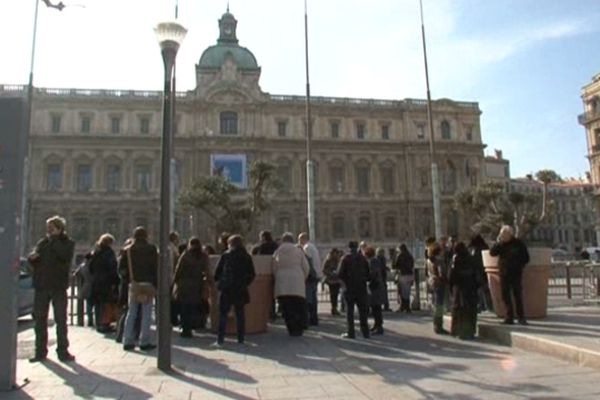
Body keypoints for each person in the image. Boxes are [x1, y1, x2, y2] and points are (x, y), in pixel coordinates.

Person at [28, 215, 76, 362]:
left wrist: (54, 240)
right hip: (42, 285)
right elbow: (34, 262)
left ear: (60, 229)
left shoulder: (67, 243)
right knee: (39, 320)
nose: (48, 231)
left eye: (51, 228)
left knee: (61, 320)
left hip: (58, 286)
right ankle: (40, 352)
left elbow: (64, 256)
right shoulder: (43, 243)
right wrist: (32, 258)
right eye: (47, 228)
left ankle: (63, 351)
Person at [119, 227, 158, 351]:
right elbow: (156, 267)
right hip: (148, 283)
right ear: (146, 236)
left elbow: (121, 269)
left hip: (134, 283)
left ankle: (128, 340)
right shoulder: (152, 249)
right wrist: (155, 284)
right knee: (146, 313)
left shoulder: (128, 250)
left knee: (132, 312)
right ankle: (144, 341)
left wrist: (128, 279)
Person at [213, 234, 256, 346]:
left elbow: (217, 272)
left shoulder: (226, 255)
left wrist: (219, 281)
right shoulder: (246, 256)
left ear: (230, 244)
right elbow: (252, 274)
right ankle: (240, 339)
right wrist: (245, 283)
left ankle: (220, 339)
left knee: (223, 314)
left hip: (227, 288)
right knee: (240, 314)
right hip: (240, 288)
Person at [489, 225, 530, 325]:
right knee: (505, 295)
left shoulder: (518, 244)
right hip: (504, 273)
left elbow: (526, 258)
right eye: (502, 234)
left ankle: (521, 317)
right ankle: (509, 317)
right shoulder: (501, 244)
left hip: (516, 273)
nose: (503, 236)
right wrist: (498, 241)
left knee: (517, 295)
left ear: (510, 234)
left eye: (504, 234)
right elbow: (492, 252)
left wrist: (519, 265)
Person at [273, 233, 310, 336]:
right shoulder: (298, 251)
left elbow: (274, 268)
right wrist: (303, 278)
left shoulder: (277, 252)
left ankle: (291, 328)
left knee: (287, 308)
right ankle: (299, 328)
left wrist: (278, 278)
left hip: (282, 283)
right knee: (298, 306)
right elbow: (306, 267)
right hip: (297, 281)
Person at [172, 237, 210, 338]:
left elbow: (178, 270)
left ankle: (185, 329)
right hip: (196, 284)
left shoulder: (185, 255)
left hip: (183, 284)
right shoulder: (203, 256)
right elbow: (207, 271)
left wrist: (175, 282)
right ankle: (191, 326)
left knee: (184, 307)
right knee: (192, 307)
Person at [338, 241, 370, 339]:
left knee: (350, 312)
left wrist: (344, 283)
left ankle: (351, 332)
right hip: (361, 287)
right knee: (363, 311)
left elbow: (340, 273)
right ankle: (365, 332)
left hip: (349, 288)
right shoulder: (363, 258)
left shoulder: (345, 258)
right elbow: (368, 273)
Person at [88, 233, 119, 333]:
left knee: (97, 303)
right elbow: (112, 267)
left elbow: (90, 267)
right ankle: (104, 324)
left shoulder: (95, 252)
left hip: (96, 281)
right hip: (106, 282)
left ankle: (98, 324)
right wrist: (116, 280)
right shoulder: (109, 253)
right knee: (106, 303)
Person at [449, 242, 480, 340]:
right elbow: (476, 273)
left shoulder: (455, 259)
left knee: (459, 309)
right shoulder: (471, 258)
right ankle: (469, 332)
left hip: (459, 288)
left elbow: (451, 275)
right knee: (469, 310)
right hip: (471, 288)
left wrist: (451, 286)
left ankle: (458, 330)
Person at [298, 232, 321, 326]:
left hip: (311, 275)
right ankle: (314, 317)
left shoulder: (306, 248)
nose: (299, 242)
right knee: (313, 298)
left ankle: (311, 318)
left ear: (303, 239)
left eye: (299, 240)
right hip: (316, 275)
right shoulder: (313, 247)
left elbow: (307, 262)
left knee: (309, 298)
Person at [427, 243, 449, 334]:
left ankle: (436, 324)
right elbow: (441, 273)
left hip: (432, 282)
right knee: (439, 305)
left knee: (436, 304)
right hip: (439, 283)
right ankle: (438, 325)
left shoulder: (429, 260)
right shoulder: (439, 261)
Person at [469, 234, 493, 312]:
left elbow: (476, 261)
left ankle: (486, 305)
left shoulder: (478, 250)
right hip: (481, 271)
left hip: (480, 272)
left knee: (482, 290)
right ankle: (485, 305)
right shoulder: (484, 247)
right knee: (483, 290)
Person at [365, 247, 386, 335]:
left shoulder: (372, 262)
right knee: (375, 308)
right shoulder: (375, 261)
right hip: (377, 285)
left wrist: (367, 278)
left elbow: (373, 274)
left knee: (376, 308)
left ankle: (379, 326)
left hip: (375, 286)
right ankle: (377, 325)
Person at [393, 244, 415, 313]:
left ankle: (402, 307)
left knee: (402, 291)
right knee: (407, 292)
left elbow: (395, 265)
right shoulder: (410, 255)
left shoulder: (400, 255)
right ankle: (407, 307)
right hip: (409, 274)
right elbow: (412, 264)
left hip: (402, 274)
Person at [322, 248, 342, 316]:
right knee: (333, 295)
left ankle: (335, 308)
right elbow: (324, 270)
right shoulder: (328, 260)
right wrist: (330, 273)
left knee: (335, 295)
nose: (336, 255)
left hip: (337, 280)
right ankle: (334, 308)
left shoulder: (339, 260)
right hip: (331, 280)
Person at [376, 247, 391, 311]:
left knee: (383, 292)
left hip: (382, 277)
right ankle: (384, 305)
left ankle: (385, 306)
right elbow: (381, 267)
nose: (383, 253)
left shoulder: (381, 259)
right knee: (382, 292)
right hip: (380, 277)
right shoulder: (378, 259)